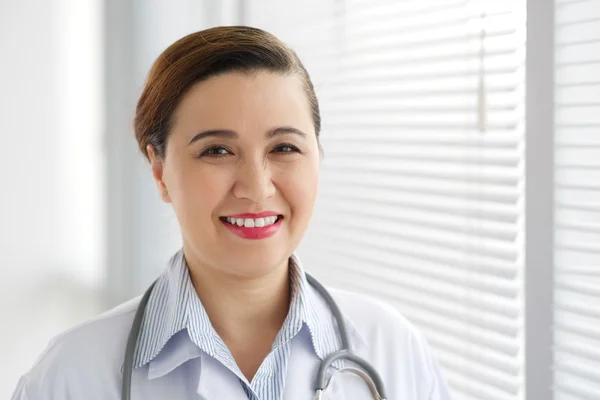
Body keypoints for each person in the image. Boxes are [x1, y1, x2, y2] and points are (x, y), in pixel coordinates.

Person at [11, 26, 451, 400]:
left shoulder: (392, 352)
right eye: (217, 150)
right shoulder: (72, 375)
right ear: (160, 172)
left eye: (284, 147)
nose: (256, 187)